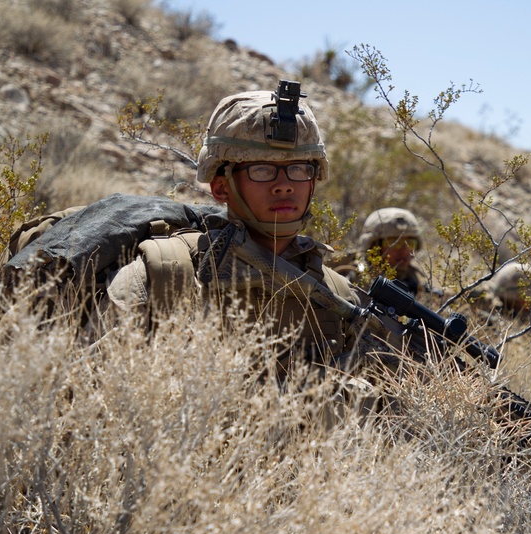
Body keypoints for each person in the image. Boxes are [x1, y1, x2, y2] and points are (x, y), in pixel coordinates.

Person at [99, 83, 365, 375]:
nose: (285, 184)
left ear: (314, 180)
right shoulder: (164, 274)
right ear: (221, 187)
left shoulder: (339, 296)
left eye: (299, 168)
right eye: (262, 169)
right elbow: (95, 394)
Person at [335, 207, 430, 296]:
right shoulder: (354, 277)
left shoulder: (417, 279)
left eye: (410, 243)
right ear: (373, 246)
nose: (404, 251)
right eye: (394, 243)